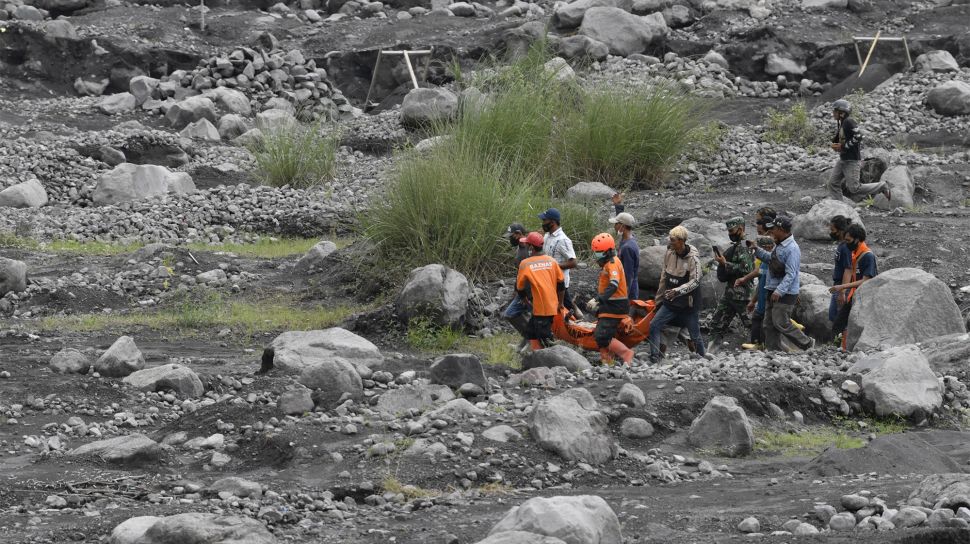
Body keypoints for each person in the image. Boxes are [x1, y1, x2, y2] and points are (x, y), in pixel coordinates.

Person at [750, 215, 814, 352]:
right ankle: (774, 351)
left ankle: (807, 343)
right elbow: (771, 260)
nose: (771, 232)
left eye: (773, 229)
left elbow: (791, 274)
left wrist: (779, 291)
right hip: (771, 289)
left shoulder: (792, 249)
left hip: (785, 293)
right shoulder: (779, 244)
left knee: (781, 322)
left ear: (781, 229)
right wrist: (757, 250)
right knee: (768, 324)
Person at [647, 226, 707, 364]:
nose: (670, 241)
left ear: (681, 241)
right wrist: (658, 300)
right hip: (670, 303)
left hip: (688, 305)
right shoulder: (669, 253)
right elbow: (664, 277)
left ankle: (704, 361)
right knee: (654, 325)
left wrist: (678, 290)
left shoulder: (693, 259)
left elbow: (696, 280)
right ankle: (654, 358)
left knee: (695, 335)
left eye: (673, 240)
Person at [827, 99, 891, 202]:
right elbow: (845, 139)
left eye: (835, 111)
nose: (833, 113)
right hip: (843, 160)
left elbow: (859, 136)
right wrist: (837, 145)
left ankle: (881, 186)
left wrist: (843, 147)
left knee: (854, 188)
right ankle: (839, 206)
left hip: (851, 161)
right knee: (833, 183)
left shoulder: (849, 121)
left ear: (842, 112)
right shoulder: (842, 123)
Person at [586, 233, 635, 366]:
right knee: (602, 332)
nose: (597, 256)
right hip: (609, 304)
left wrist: (597, 300)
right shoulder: (608, 263)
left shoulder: (612, 264)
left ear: (607, 251)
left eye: (599, 253)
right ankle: (607, 361)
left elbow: (614, 285)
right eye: (595, 253)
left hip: (615, 305)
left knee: (601, 335)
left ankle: (626, 353)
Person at [708, 217, 754, 349]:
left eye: (732, 230)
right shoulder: (737, 246)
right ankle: (710, 353)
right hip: (730, 293)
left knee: (750, 323)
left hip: (742, 294)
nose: (730, 233)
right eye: (728, 231)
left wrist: (725, 263)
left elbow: (747, 269)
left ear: (740, 229)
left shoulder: (745, 245)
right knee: (717, 323)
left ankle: (768, 349)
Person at [829, 223, 878, 350]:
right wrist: (844, 291)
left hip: (866, 298)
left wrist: (842, 287)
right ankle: (834, 350)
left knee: (848, 325)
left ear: (857, 239)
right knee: (838, 323)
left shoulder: (868, 256)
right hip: (855, 295)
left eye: (848, 240)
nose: (846, 244)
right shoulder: (854, 252)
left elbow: (866, 280)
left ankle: (844, 350)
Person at [516, 232, 565, 351]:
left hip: (541, 308)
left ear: (531, 247)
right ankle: (535, 357)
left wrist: (524, 300)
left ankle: (554, 362)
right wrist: (560, 303)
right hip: (550, 305)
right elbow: (561, 284)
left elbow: (520, 288)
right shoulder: (552, 261)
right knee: (531, 332)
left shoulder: (525, 263)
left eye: (527, 245)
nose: (526, 247)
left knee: (545, 339)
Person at [539, 208, 584, 319]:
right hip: (548, 280)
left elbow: (573, 262)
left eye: (544, 220)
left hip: (560, 282)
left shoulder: (563, 240)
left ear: (552, 222)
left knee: (566, 306)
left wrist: (552, 266)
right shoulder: (547, 236)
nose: (542, 223)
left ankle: (582, 323)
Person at [736, 236, 774, 349]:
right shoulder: (763, 263)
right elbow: (761, 282)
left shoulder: (773, 262)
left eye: (759, 249)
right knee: (757, 319)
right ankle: (757, 345)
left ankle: (764, 347)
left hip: (769, 302)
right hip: (761, 302)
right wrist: (753, 301)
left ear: (769, 247)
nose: (756, 253)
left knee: (766, 325)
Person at [502, 223, 532, 345]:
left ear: (519, 234)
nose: (510, 239)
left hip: (528, 290)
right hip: (522, 289)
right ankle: (528, 340)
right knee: (527, 314)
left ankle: (532, 339)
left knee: (510, 314)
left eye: (511, 236)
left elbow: (527, 274)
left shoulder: (527, 249)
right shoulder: (521, 247)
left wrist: (521, 292)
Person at [609, 193, 640, 305]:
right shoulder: (628, 238)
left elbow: (628, 275)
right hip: (627, 289)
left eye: (616, 224)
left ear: (622, 226)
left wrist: (623, 296)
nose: (614, 226)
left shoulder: (627, 248)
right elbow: (623, 220)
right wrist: (618, 205)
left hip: (628, 292)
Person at [827, 215, 854, 326]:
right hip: (838, 285)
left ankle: (841, 342)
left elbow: (848, 269)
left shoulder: (846, 247)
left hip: (842, 287)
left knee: (838, 317)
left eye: (833, 230)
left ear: (841, 230)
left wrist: (842, 291)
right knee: (833, 315)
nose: (831, 232)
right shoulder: (842, 245)